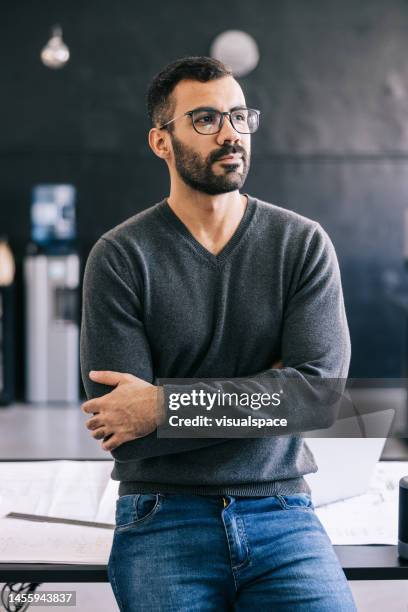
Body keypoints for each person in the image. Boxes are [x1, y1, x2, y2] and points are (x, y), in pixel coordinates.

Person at [80, 56, 357, 611]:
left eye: (239, 116)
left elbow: (317, 397)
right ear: (161, 142)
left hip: (281, 512)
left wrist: (163, 405)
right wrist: (269, 390)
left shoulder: (300, 244)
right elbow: (123, 425)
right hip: (162, 513)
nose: (230, 133)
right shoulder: (120, 257)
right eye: (205, 119)